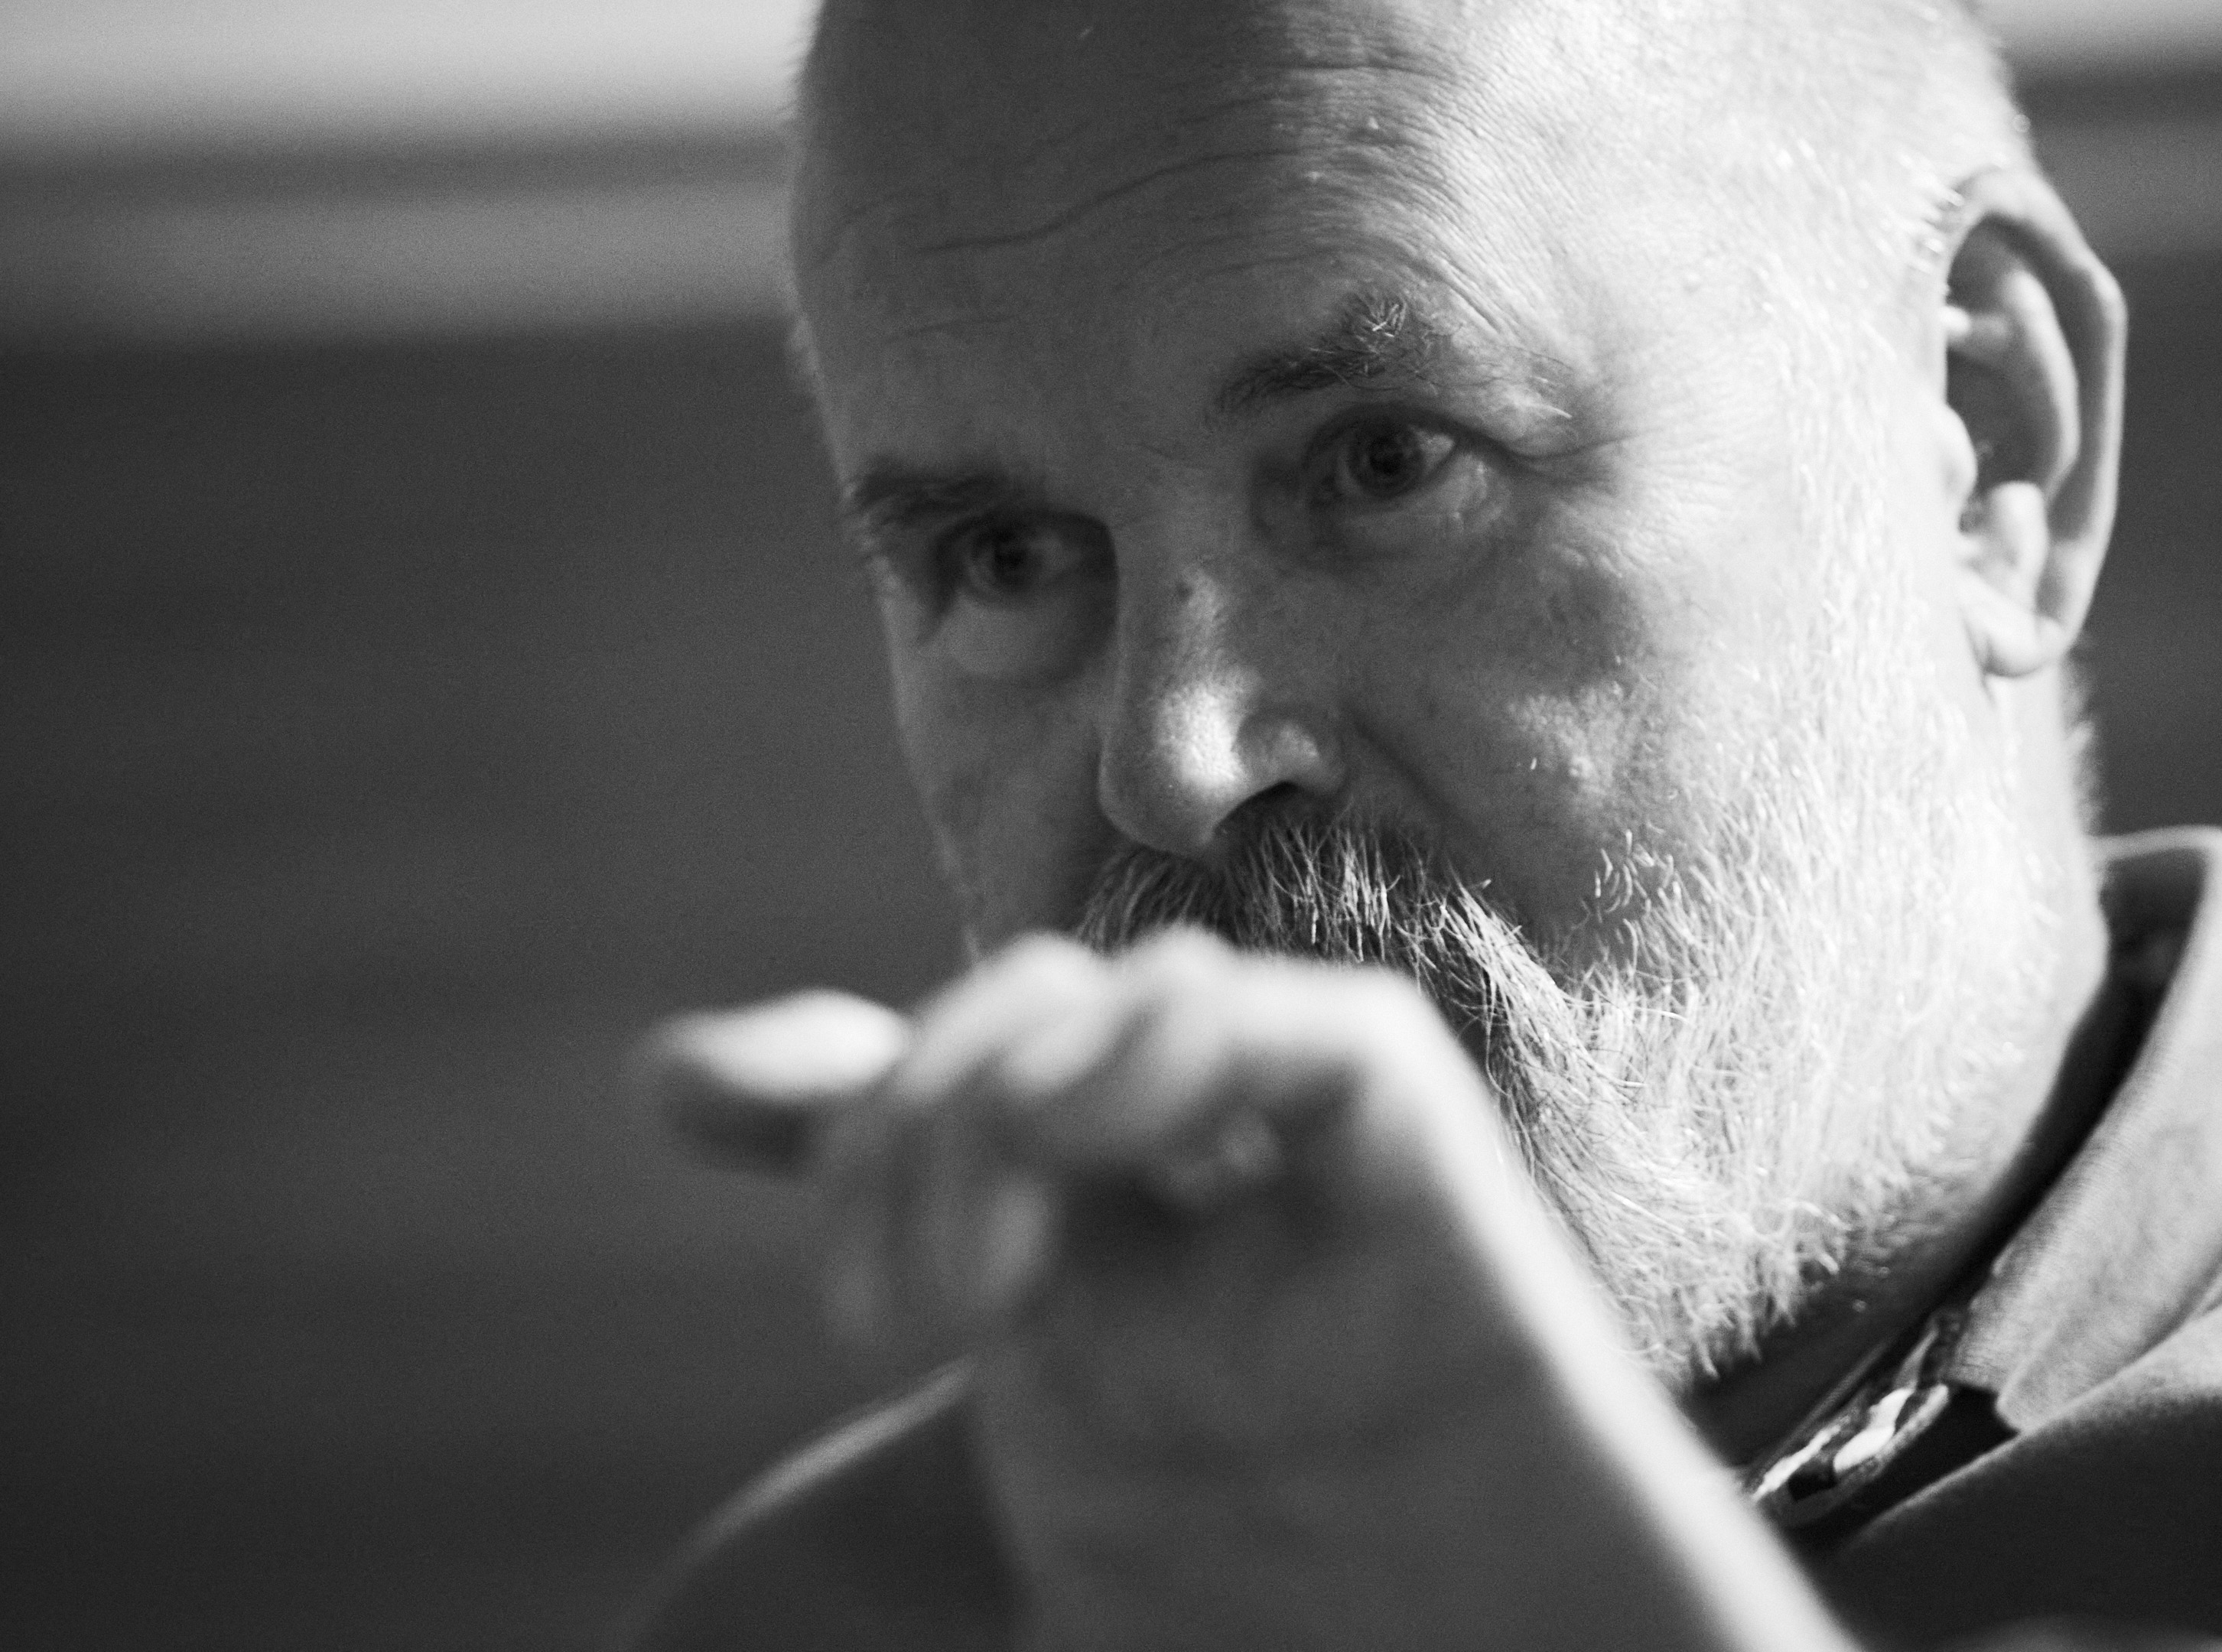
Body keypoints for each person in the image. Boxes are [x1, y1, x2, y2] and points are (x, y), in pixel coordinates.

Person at [626, 0, 2222, 1647]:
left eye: (1385, 463)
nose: (1169, 764)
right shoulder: (847, 1612)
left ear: (1986, 448)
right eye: (1005, 558)